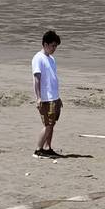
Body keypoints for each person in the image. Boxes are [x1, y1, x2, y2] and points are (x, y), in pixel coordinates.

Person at [32, 30, 63, 159]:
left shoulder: (51, 59)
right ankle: (38, 150)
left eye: (56, 46)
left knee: (52, 124)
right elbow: (37, 79)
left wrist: (58, 98)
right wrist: (38, 98)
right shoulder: (38, 58)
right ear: (45, 44)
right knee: (48, 125)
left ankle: (47, 148)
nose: (54, 48)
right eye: (53, 46)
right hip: (46, 98)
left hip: (54, 97)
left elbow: (53, 79)